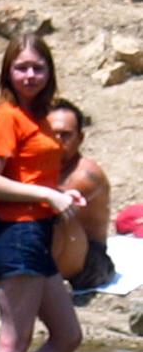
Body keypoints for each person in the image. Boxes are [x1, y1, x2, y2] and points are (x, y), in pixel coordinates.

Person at [0, 34, 83, 352]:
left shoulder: (38, 116)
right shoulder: (6, 117)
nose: (30, 75)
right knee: (14, 339)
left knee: (68, 334)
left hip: (37, 231)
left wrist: (59, 194)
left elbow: (33, 175)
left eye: (38, 67)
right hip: (16, 234)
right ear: (7, 72)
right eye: (21, 68)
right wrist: (46, 195)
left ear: (50, 72)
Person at [48, 99, 115, 290]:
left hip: (90, 260)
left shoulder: (85, 175)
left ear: (80, 138)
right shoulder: (42, 167)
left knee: (49, 212)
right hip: (56, 248)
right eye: (53, 134)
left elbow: (51, 207)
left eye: (65, 135)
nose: (58, 140)